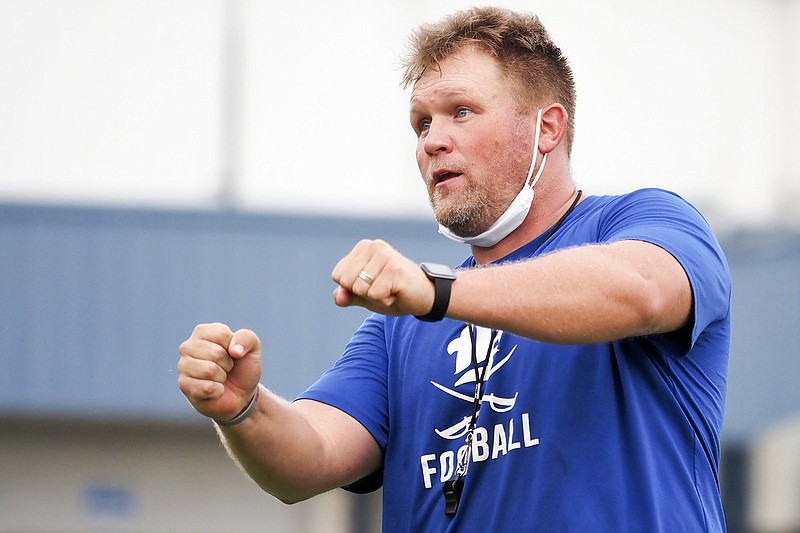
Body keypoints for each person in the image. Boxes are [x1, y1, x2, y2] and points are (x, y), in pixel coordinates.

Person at [178, 6, 731, 532]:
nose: (432, 141)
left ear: (547, 129)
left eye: (461, 112)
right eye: (421, 123)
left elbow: (641, 292)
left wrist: (437, 290)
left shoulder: (647, 220)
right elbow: (311, 456)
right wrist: (244, 411)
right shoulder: (402, 324)